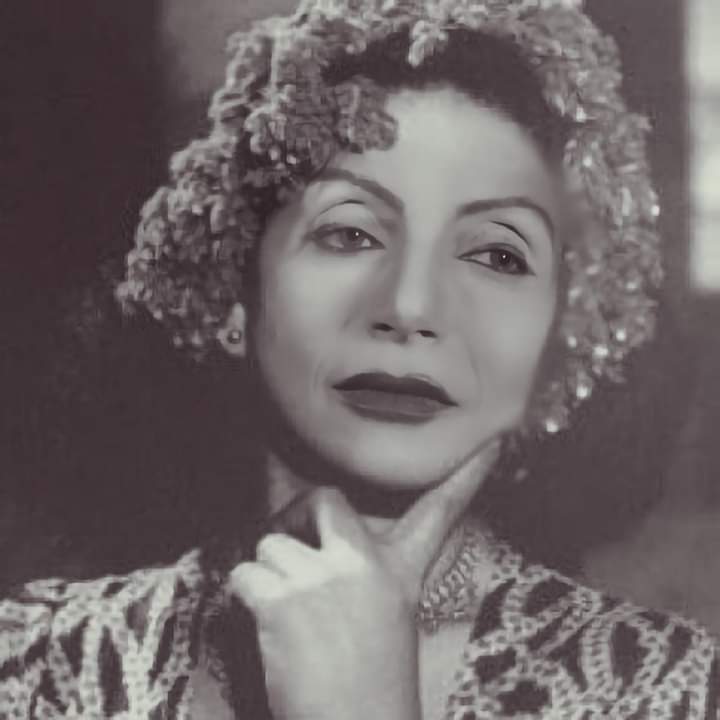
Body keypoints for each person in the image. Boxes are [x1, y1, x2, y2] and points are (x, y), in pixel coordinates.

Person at [2, 1, 716, 718]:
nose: (411, 305)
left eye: (497, 254)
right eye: (349, 234)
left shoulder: (671, 689)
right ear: (233, 290)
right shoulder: (35, 666)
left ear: (560, 332)